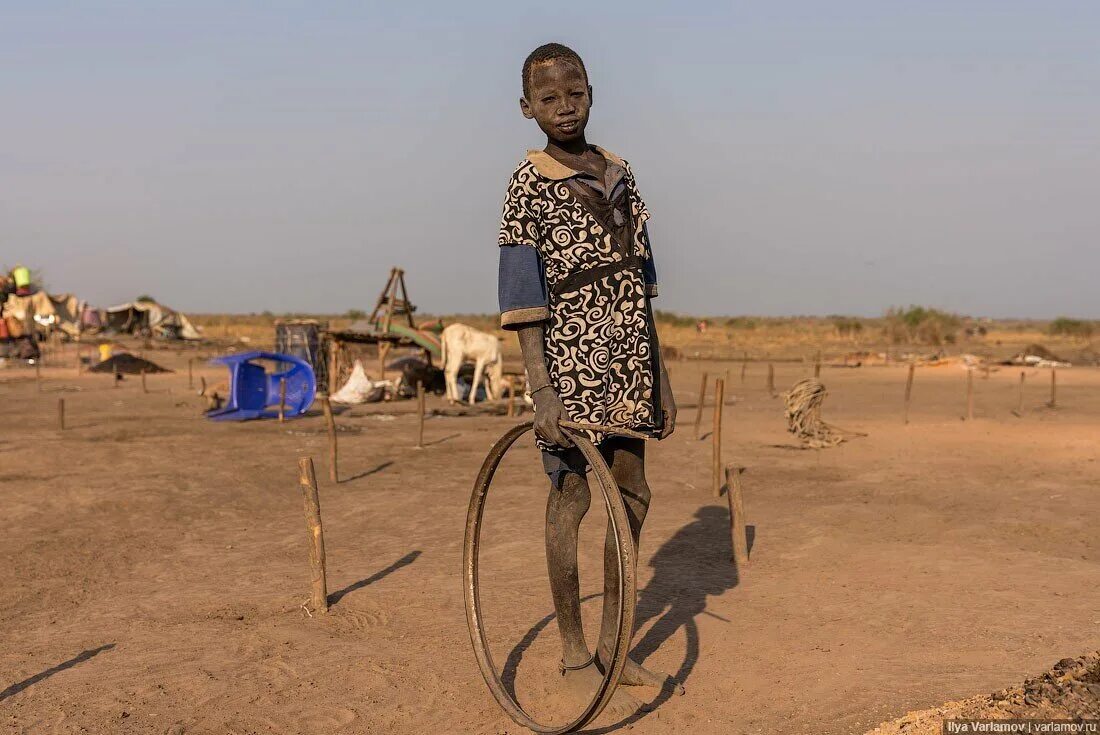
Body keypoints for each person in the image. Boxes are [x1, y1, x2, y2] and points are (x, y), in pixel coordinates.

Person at [496, 43, 679, 718]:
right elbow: (521, 298)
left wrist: (658, 374)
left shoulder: (622, 173)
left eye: (573, 93)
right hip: (569, 368)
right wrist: (540, 389)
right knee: (572, 494)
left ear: (591, 93)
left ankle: (614, 644)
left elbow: (643, 282)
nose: (563, 105)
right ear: (526, 109)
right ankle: (574, 647)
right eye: (547, 98)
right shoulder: (528, 183)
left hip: (630, 360)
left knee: (632, 493)